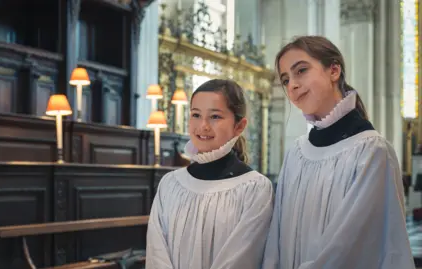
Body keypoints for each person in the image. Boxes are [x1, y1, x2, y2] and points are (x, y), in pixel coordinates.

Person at [262, 35, 415, 269]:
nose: (292, 84)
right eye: (285, 80)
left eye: (301, 71)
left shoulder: (371, 150)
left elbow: (351, 244)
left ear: (334, 71)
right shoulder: (297, 153)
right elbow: (277, 236)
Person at [146, 79, 274, 269]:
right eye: (196, 115)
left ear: (239, 126)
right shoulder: (170, 184)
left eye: (215, 117)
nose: (203, 125)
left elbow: (241, 259)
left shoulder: (255, 188)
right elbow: (157, 253)